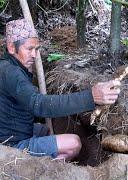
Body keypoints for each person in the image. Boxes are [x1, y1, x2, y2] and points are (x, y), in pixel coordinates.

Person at [0, 19, 121, 161]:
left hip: (16, 132)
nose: (34, 55)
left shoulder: (9, 67)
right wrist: (90, 97)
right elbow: (39, 105)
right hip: (11, 146)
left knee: (45, 130)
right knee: (74, 143)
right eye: (29, 49)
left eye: (36, 49)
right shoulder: (10, 73)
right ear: (11, 48)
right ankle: (43, 169)